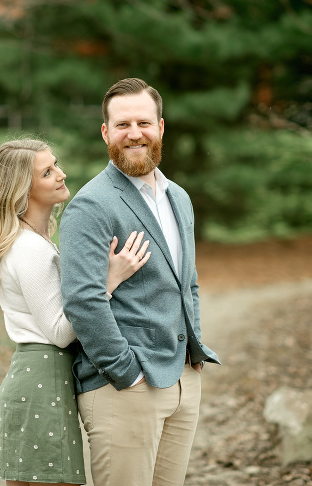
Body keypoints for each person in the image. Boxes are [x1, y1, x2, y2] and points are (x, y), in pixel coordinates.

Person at [59, 78, 221, 486]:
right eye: (122, 124)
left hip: (183, 379)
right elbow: (82, 300)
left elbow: (189, 285)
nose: (134, 134)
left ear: (161, 127)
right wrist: (126, 373)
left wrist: (193, 360)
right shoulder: (91, 205)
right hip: (125, 390)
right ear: (105, 132)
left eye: (144, 123)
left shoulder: (178, 197)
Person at [0, 138, 151, 486]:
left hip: (43, 377)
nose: (61, 174)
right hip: (42, 379)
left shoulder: (35, 242)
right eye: (48, 171)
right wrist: (108, 279)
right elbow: (59, 330)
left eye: (55, 165)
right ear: (22, 189)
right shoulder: (28, 248)